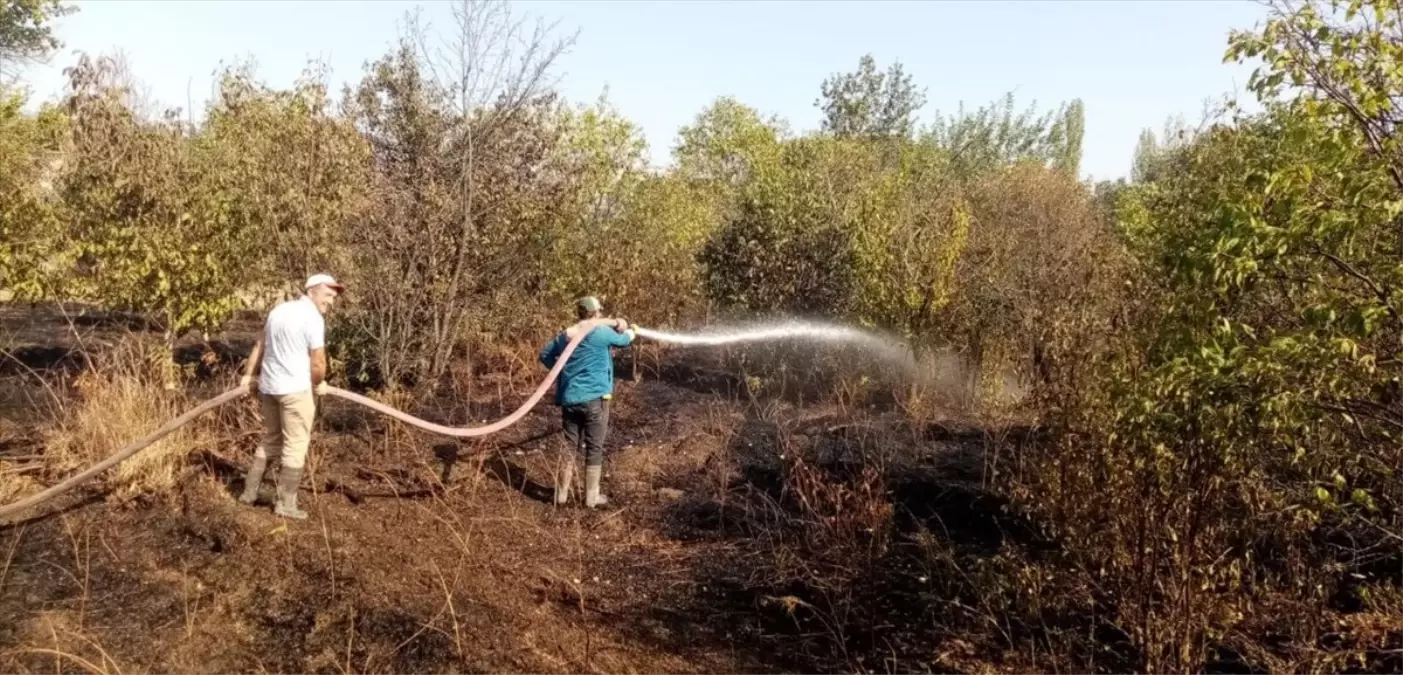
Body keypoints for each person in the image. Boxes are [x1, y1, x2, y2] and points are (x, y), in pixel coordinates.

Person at [236, 273, 344, 520]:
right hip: (296, 391)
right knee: (295, 446)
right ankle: (286, 504)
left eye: (334, 297)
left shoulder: (279, 310)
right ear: (312, 291)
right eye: (328, 295)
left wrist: (248, 376)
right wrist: (319, 383)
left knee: (271, 440)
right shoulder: (313, 318)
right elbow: (318, 361)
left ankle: (248, 494)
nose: (331, 301)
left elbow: (259, 346)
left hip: (270, 388)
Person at [539, 296, 635, 508]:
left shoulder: (568, 335)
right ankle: (591, 498)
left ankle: (561, 496)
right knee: (594, 446)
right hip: (595, 399)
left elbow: (545, 354)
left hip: (570, 400)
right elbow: (625, 341)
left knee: (569, 445)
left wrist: (561, 372)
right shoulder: (600, 332)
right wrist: (631, 330)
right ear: (597, 313)